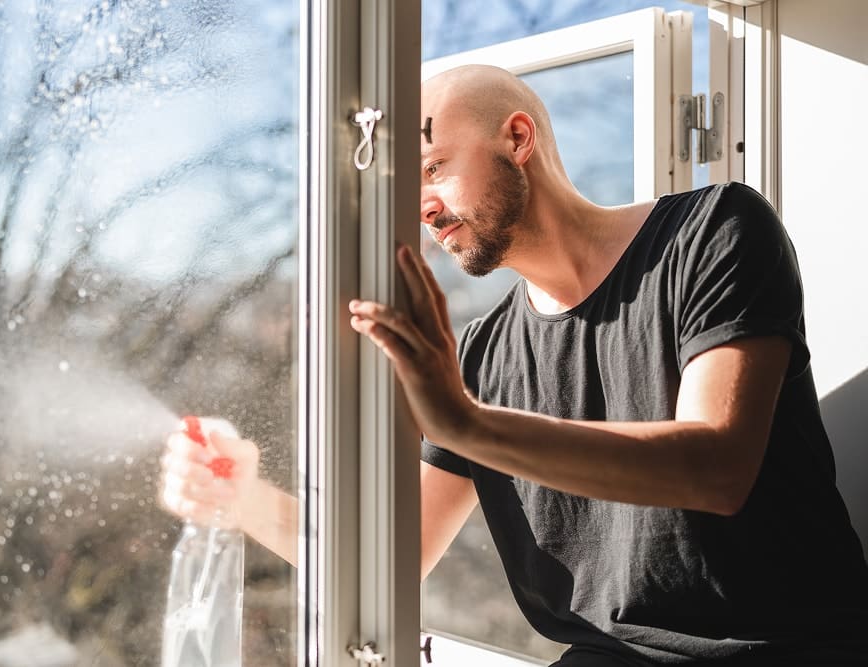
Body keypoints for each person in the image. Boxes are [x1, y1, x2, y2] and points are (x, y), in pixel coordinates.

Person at [161, 64, 868, 665]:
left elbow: (715, 469)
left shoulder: (714, 231)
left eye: (434, 167)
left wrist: (466, 422)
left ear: (518, 137)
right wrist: (241, 496)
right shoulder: (480, 355)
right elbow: (391, 562)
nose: (423, 206)